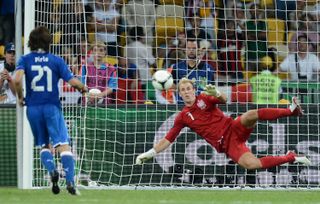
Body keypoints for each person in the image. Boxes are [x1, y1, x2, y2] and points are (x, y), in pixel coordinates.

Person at [136, 78, 311, 170]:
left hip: (233, 127)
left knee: (250, 115)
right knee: (252, 165)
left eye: (188, 89)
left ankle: (291, 110)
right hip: (228, 144)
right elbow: (168, 139)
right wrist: (150, 153)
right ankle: (291, 157)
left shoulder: (204, 98)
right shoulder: (182, 117)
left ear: (193, 90)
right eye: (183, 90)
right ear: (180, 94)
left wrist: (217, 92)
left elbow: (225, 100)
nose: (186, 92)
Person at [14, 26, 88, 195]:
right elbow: (73, 82)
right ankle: (70, 181)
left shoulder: (25, 60)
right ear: (49, 42)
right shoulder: (56, 60)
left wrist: (20, 96)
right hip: (51, 107)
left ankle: (52, 170)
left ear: (30, 42)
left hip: (33, 108)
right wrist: (85, 89)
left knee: (43, 145)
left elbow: (17, 80)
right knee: (63, 144)